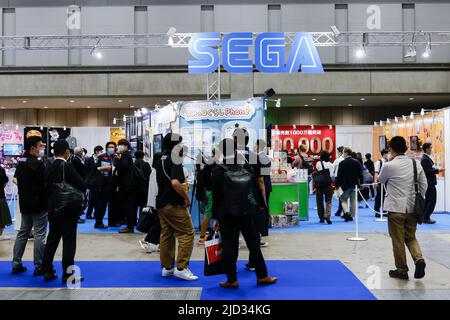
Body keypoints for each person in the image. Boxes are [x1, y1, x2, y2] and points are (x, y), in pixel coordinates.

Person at [211, 138, 277, 289]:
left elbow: (216, 196)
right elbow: (256, 186)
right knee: (254, 244)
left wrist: (216, 217)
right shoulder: (246, 165)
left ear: (221, 150)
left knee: (229, 247)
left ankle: (232, 280)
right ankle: (262, 276)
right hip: (247, 211)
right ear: (235, 149)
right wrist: (261, 205)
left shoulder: (217, 170)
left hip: (227, 214)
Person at [378, 136, 427, 280]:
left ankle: (402, 270)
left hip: (395, 208)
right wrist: (417, 199)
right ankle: (419, 259)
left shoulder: (389, 165)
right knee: (411, 237)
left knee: (398, 240)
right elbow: (424, 185)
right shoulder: (415, 163)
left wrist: (387, 161)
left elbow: (380, 180)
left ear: (391, 149)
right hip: (412, 208)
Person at [154, 133, 198, 281]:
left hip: (161, 203)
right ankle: (182, 267)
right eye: (180, 143)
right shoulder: (175, 159)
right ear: (175, 145)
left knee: (167, 234)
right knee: (187, 233)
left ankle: (167, 268)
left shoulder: (159, 158)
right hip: (174, 203)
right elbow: (175, 182)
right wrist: (186, 198)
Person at [42, 140, 86, 283]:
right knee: (69, 242)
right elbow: (81, 183)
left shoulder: (48, 166)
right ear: (66, 152)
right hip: (67, 210)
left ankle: (47, 270)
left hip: (52, 209)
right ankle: (68, 274)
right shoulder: (66, 166)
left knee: (52, 240)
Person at [12, 136, 48, 276]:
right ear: (33, 148)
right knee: (39, 234)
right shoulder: (38, 164)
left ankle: (16, 263)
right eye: (40, 146)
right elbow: (45, 183)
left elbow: (16, 179)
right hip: (39, 204)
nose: (42, 148)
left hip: (25, 203)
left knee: (23, 232)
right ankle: (39, 266)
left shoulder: (21, 161)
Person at [139, 152, 162, 253]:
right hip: (157, 202)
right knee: (159, 224)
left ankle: (157, 243)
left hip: (155, 201)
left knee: (159, 223)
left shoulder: (155, 171)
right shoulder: (156, 172)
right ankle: (147, 240)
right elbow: (156, 189)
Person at [94, 142, 120, 228]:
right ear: (106, 148)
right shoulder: (101, 157)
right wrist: (103, 168)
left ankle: (112, 222)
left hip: (114, 183)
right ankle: (98, 222)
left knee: (113, 204)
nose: (111, 148)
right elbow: (96, 169)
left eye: (113, 147)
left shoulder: (117, 157)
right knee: (102, 204)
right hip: (103, 183)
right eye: (109, 147)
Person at [335, 147, 363, 222]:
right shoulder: (357, 162)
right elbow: (360, 174)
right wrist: (361, 184)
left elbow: (339, 175)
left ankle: (346, 212)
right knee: (353, 201)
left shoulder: (342, 163)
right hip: (355, 185)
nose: (343, 154)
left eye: (343, 153)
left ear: (346, 153)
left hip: (345, 185)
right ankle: (351, 215)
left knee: (343, 200)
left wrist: (337, 185)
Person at [115, 139, 137, 234]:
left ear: (126, 146)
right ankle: (130, 225)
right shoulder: (126, 155)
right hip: (128, 184)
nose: (119, 146)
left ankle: (129, 227)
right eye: (119, 145)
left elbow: (124, 166)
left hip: (126, 185)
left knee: (128, 206)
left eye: (121, 145)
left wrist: (117, 171)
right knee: (129, 206)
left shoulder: (125, 155)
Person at [197, 150, 218, 245]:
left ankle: (207, 234)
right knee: (208, 214)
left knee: (208, 213)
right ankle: (202, 237)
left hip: (207, 191)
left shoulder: (209, 163)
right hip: (211, 192)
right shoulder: (214, 163)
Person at [421, 143, 444, 224]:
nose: (431, 149)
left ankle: (424, 216)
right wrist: (438, 171)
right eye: (430, 148)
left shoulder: (426, 158)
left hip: (429, 183)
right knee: (431, 201)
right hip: (429, 183)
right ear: (426, 149)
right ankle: (426, 217)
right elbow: (428, 171)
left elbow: (429, 169)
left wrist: (435, 169)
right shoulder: (425, 159)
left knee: (428, 200)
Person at [255, 139, 272, 245]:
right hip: (266, 186)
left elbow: (262, 177)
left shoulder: (259, 157)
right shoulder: (265, 157)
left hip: (263, 187)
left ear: (257, 146)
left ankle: (259, 235)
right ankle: (261, 234)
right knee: (263, 210)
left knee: (261, 211)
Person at [85, 145, 104, 220]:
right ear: (96, 151)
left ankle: (96, 214)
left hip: (99, 181)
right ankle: (88, 214)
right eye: (101, 151)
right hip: (91, 181)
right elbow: (87, 170)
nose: (102, 153)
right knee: (91, 199)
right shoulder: (89, 159)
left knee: (98, 199)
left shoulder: (101, 159)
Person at [315, 151, 333, 224]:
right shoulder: (331, 165)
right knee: (328, 201)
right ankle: (327, 216)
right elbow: (332, 176)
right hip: (328, 185)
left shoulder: (318, 164)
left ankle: (321, 217)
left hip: (319, 185)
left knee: (319, 201)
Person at [134, 150, 152, 215]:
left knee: (134, 206)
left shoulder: (133, 165)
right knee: (143, 205)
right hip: (144, 187)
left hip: (134, 188)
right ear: (143, 156)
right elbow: (149, 176)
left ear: (135, 156)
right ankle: (141, 220)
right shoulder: (146, 165)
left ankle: (133, 221)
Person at [72, 147, 87, 224]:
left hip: (80, 182)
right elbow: (82, 169)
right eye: (82, 151)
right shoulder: (76, 160)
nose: (83, 152)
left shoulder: (78, 159)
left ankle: (78, 216)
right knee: (78, 201)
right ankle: (76, 217)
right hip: (78, 183)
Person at [374, 149, 390, 217]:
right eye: (388, 153)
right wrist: (375, 182)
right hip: (380, 182)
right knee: (379, 197)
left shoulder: (388, 162)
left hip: (387, 182)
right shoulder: (379, 162)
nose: (389, 155)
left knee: (386, 197)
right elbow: (376, 172)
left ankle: (385, 210)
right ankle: (377, 211)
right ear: (384, 154)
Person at [332, 146, 345, 217]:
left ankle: (343, 211)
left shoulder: (337, 160)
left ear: (340, 152)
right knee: (343, 196)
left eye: (337, 152)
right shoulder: (346, 159)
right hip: (346, 179)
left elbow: (332, 169)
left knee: (340, 196)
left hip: (339, 179)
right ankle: (340, 211)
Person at [0, 165, 12, 240]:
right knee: (2, 219)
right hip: (0, 196)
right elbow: (4, 183)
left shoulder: (1, 169)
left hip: (0, 196)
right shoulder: (1, 169)